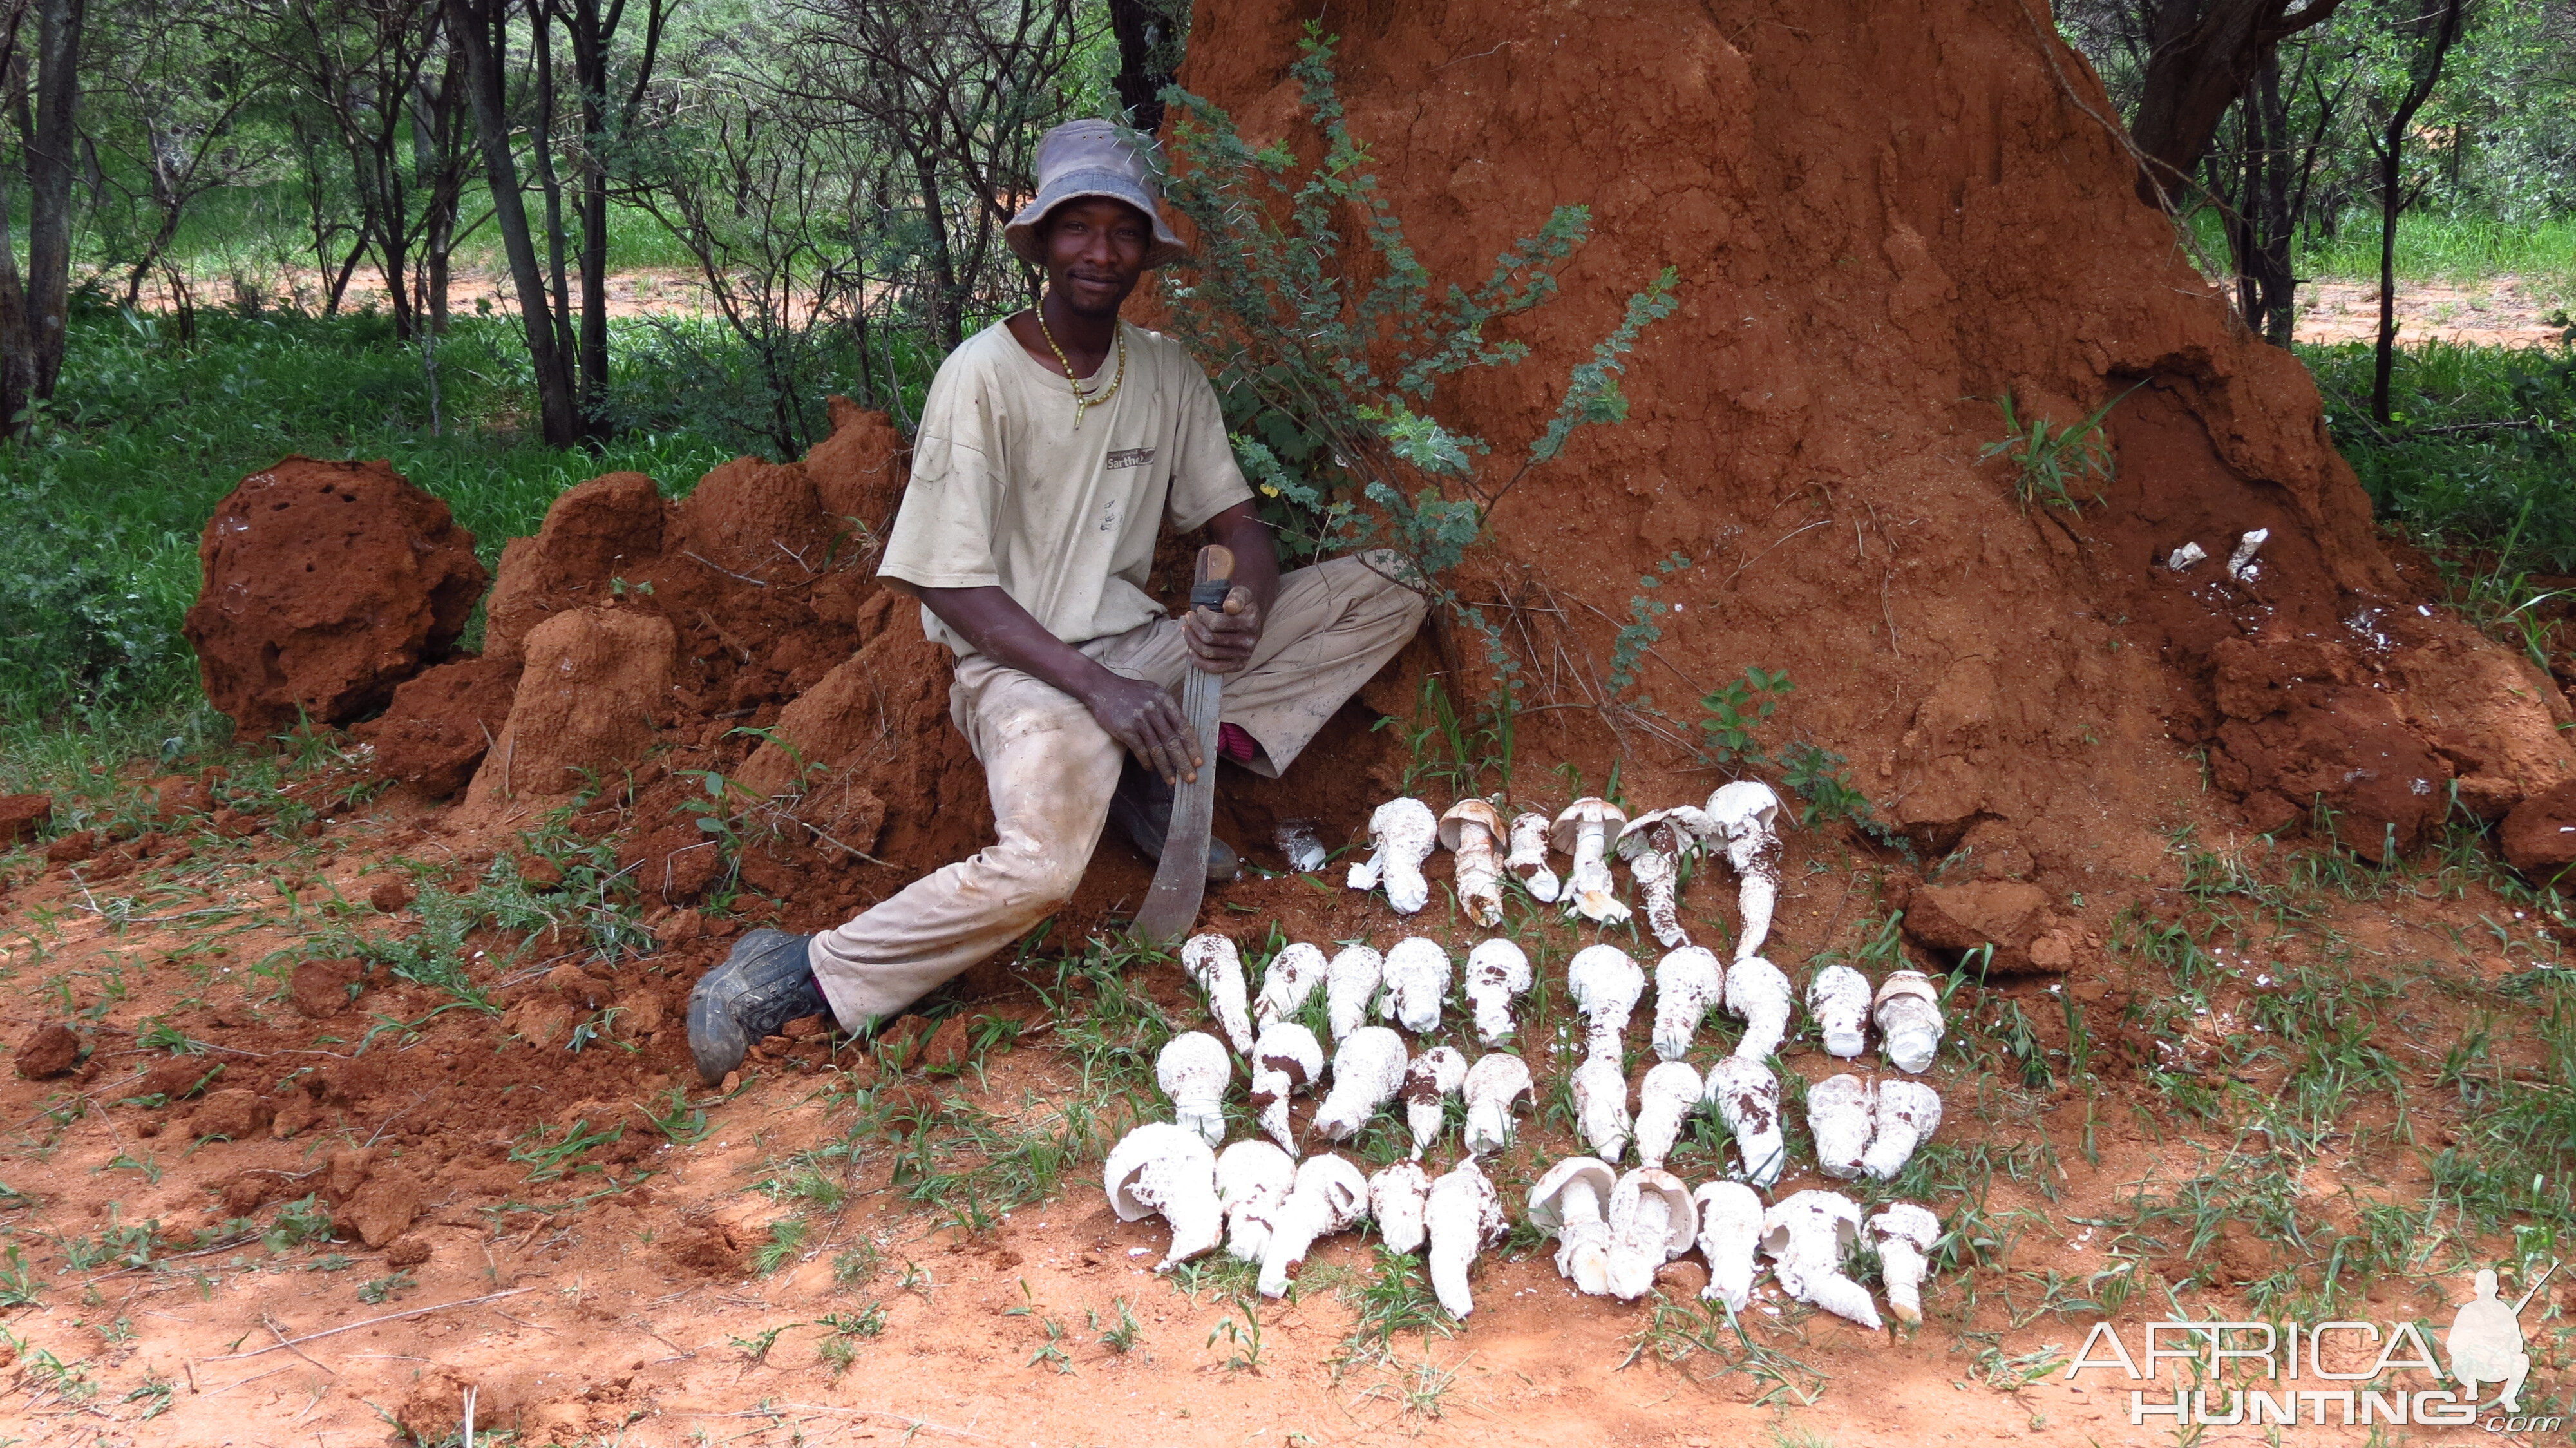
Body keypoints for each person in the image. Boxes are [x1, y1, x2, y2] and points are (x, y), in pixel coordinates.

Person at [685, 120, 1427, 1082]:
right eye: (1078, 228)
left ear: (1145, 253)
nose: (1101, 252)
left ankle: (1174, 767)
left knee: (1390, 585)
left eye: (1123, 233)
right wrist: (1100, 693)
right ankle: (800, 969)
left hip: (1142, 654)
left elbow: (1242, 524)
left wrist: (1243, 599)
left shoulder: (1166, 372)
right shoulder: (980, 377)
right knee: (1041, 868)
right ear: (1039, 241)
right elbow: (944, 575)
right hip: (1021, 673)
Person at [2445, 1268, 2531, 1411]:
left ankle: (2508, 1397)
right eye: (2483, 1286)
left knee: (2523, 1360)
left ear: (2496, 1288)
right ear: (2476, 1288)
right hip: (2471, 1361)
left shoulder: (2504, 1311)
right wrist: (2475, 1344)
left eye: (2490, 1285)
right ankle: (2471, 1387)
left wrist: (2503, 1344)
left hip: (2496, 1362)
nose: (2486, 1290)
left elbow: (2517, 1343)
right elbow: (2454, 1343)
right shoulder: (2468, 1310)